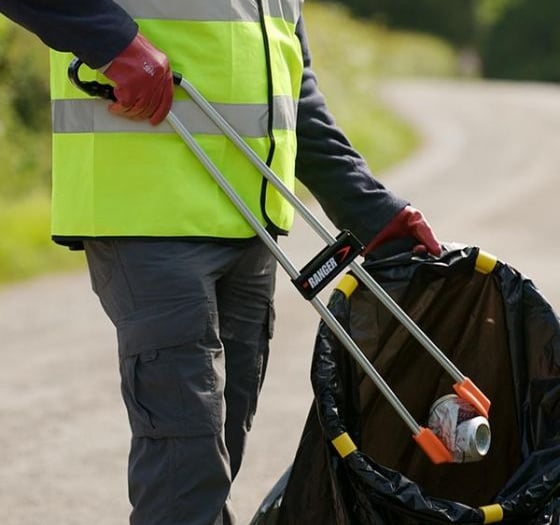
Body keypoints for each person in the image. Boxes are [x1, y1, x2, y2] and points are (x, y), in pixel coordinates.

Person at [0, 2, 442, 524]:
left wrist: (370, 209)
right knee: (186, 465)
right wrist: (110, 41)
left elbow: (289, 87)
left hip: (249, 228)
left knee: (217, 454)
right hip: (146, 211)